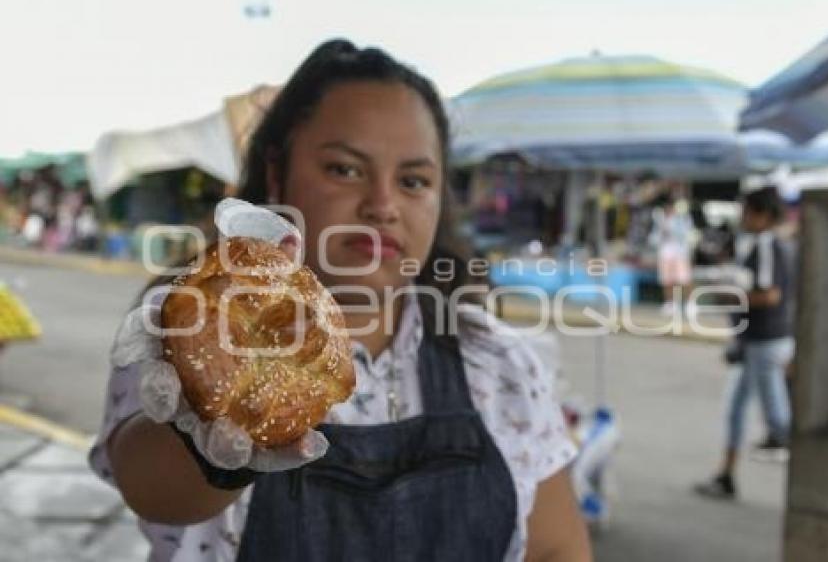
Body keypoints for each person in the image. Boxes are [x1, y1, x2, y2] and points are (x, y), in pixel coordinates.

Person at [89, 40, 592, 561]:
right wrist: (211, 438)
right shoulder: (189, 330)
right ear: (278, 172)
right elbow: (153, 490)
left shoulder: (499, 362)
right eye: (345, 170)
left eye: (414, 181)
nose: (383, 204)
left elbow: (557, 546)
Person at [695, 186, 795, 500]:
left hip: (765, 342)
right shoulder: (768, 244)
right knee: (738, 408)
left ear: (762, 215)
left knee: (779, 421)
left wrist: (729, 295)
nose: (743, 218)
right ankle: (726, 475)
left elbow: (770, 294)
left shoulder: (767, 246)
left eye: (748, 212)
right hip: (760, 341)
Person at [649, 192, 694, 315]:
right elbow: (654, 237)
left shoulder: (682, 218)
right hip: (665, 253)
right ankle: (670, 303)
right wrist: (661, 231)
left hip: (680, 253)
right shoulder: (660, 218)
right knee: (667, 280)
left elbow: (686, 234)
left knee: (684, 279)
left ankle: (690, 304)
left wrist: (670, 228)